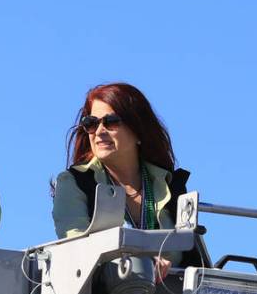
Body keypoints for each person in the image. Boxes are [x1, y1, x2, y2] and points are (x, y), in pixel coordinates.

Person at [52, 82, 200, 279]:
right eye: (91, 123)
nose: (99, 131)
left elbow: (192, 256)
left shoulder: (170, 184)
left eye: (111, 121)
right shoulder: (74, 182)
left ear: (138, 131)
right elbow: (77, 248)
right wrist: (141, 263)